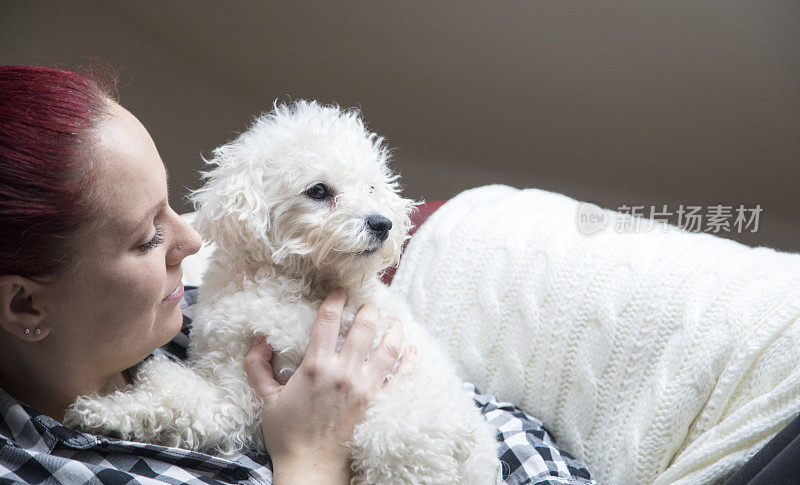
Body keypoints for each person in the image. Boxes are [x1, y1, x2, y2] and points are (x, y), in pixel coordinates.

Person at [0, 65, 594, 484]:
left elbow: (495, 420)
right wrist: (312, 458)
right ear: (25, 305)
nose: (193, 237)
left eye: (170, 208)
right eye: (147, 235)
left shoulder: (177, 319)